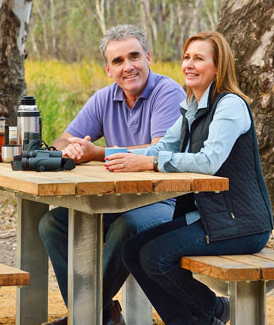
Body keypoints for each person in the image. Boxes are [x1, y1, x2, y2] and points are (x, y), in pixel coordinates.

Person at [105, 31, 274, 325]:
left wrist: (152, 163)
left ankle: (208, 316)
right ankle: (213, 312)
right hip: (208, 216)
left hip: (240, 224)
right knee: (133, 250)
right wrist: (112, 155)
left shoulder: (230, 105)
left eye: (199, 58)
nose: (189, 65)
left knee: (156, 257)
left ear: (218, 67)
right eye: (186, 57)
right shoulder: (191, 108)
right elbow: (160, 147)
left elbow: (208, 162)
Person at [39, 25, 186, 325]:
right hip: (115, 201)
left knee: (127, 228)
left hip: (166, 201)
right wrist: (69, 151)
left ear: (148, 57)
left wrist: (98, 153)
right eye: (118, 61)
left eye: (134, 56)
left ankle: (85, 315)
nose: (128, 67)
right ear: (108, 69)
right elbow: (65, 139)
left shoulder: (168, 92)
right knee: (52, 223)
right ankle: (102, 313)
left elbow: (158, 151)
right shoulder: (105, 98)